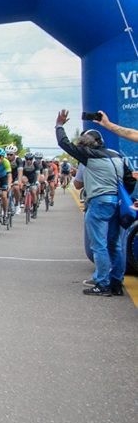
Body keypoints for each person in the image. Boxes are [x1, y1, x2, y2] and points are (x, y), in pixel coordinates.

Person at [56, 109, 129, 296]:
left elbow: (64, 144)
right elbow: (130, 180)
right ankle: (116, 283)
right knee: (115, 245)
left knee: (99, 245)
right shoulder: (116, 155)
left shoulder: (89, 156)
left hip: (98, 203)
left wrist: (59, 125)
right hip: (117, 203)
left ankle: (102, 283)